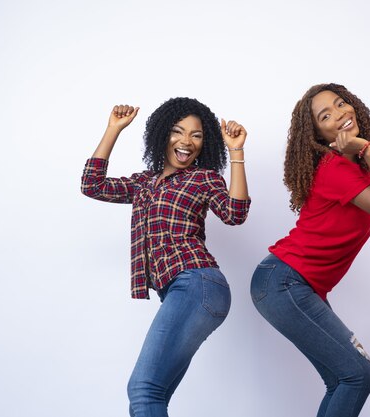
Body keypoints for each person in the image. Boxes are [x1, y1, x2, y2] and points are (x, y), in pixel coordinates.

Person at [250, 83, 370, 417]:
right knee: (359, 375)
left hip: (293, 284)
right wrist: (369, 152)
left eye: (341, 104)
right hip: (283, 282)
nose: (340, 114)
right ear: (318, 133)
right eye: (325, 115)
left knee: (344, 379)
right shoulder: (335, 169)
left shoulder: (355, 168)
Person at [81, 97, 250, 417]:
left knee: (142, 390)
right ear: (162, 135)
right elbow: (92, 184)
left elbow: (235, 214)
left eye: (197, 135)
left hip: (197, 281)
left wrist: (237, 153)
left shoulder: (204, 178)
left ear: (206, 142)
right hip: (183, 289)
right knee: (153, 394)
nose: (186, 141)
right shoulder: (143, 182)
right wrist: (113, 130)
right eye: (177, 131)